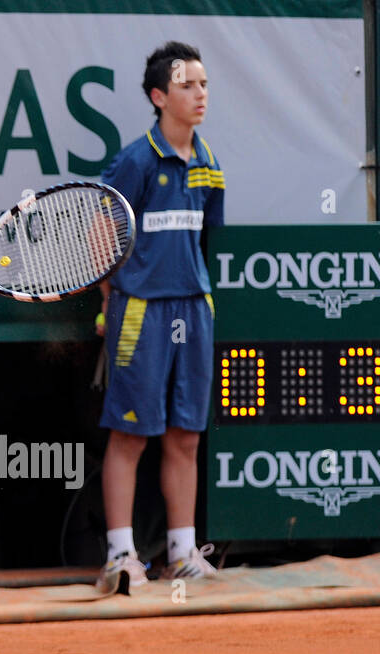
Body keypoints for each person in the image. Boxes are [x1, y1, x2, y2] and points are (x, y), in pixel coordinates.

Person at [94, 41, 225, 593]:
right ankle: (120, 557)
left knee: (186, 437)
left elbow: (208, 235)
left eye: (203, 84)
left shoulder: (209, 162)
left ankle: (182, 551)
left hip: (193, 308)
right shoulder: (134, 162)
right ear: (158, 96)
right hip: (139, 314)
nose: (199, 94)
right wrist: (110, 300)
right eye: (187, 85)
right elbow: (104, 232)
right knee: (130, 438)